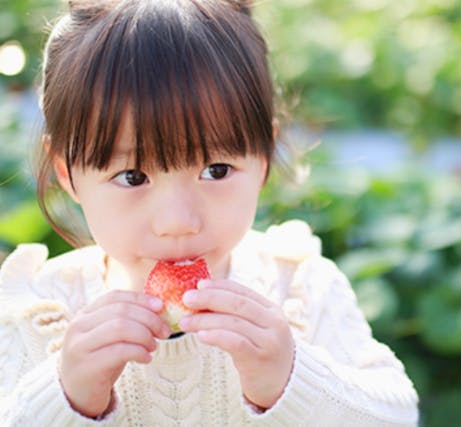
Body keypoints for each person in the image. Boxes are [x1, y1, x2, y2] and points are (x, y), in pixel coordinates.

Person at [0, 0, 419, 425]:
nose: (179, 221)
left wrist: (292, 379)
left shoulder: (300, 291)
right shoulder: (38, 314)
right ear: (68, 174)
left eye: (215, 170)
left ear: (264, 158)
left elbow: (399, 415)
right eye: (131, 177)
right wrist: (64, 398)